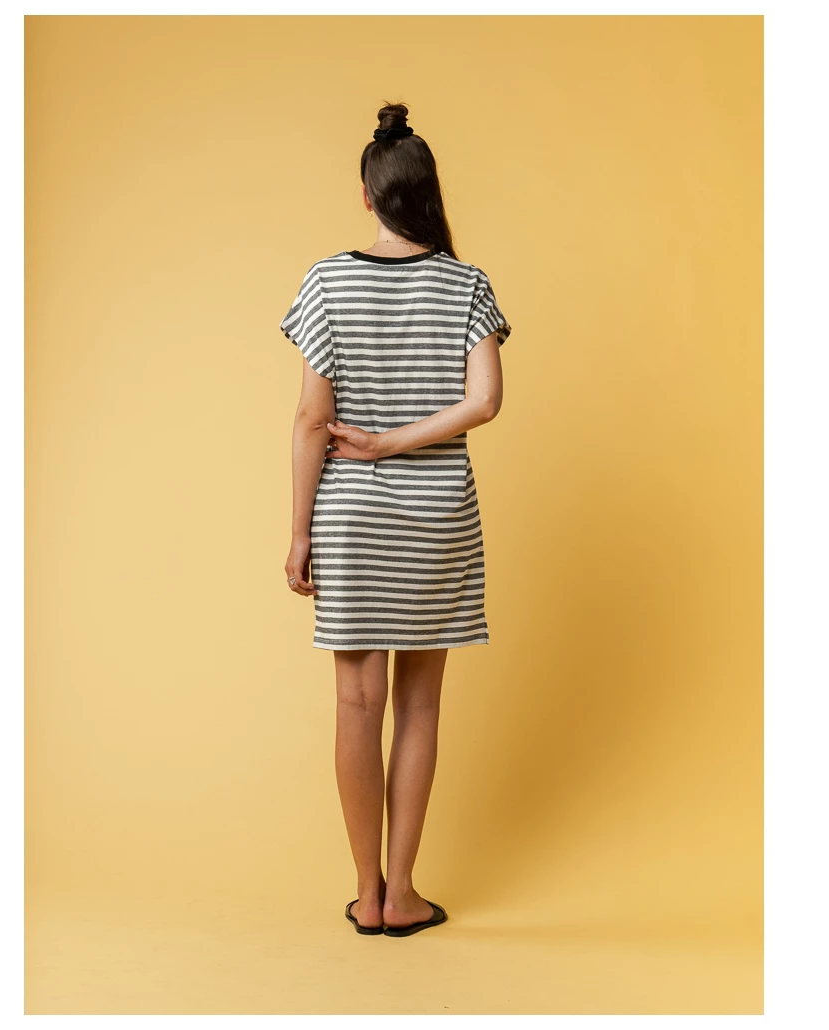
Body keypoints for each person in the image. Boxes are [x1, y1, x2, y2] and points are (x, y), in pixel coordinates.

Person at [279, 102, 512, 937]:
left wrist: (301, 530)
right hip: (436, 515)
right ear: (427, 192)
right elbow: (485, 403)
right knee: (418, 707)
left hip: (350, 517)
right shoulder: (467, 283)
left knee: (355, 703)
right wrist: (396, 443)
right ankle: (404, 894)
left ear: (367, 196)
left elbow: (311, 420)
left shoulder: (327, 282)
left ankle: (366, 893)